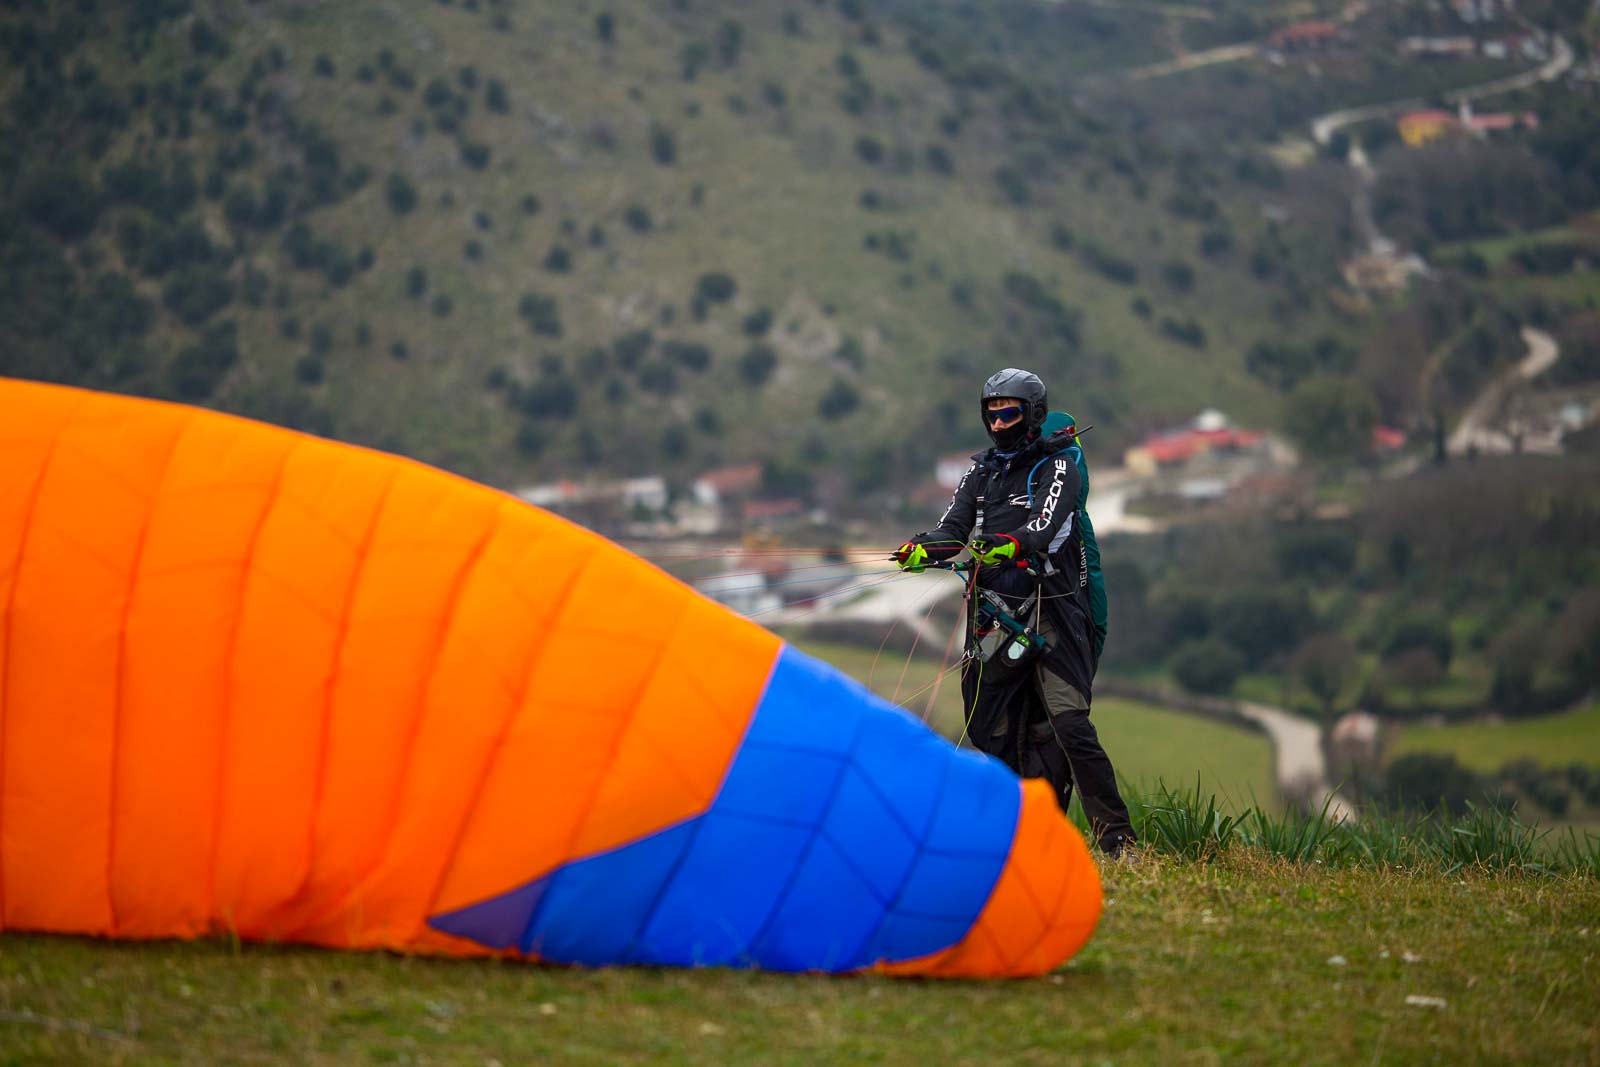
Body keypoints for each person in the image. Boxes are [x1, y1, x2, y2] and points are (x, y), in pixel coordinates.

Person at [894, 368, 1136, 858]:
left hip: (1053, 612)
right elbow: (952, 530)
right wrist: (922, 550)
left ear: (1033, 415)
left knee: (1068, 723)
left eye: (1009, 413)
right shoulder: (980, 473)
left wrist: (1012, 544)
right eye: (992, 414)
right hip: (994, 615)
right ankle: (1023, 837)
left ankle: (1117, 841)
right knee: (992, 730)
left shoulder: (1058, 465)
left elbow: (1045, 525)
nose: (999, 423)